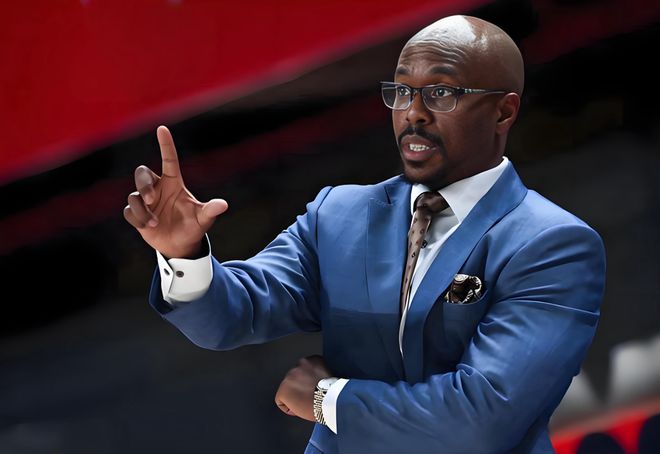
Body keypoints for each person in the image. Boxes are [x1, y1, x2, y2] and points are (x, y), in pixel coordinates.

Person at [124, 15, 605, 454]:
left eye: (441, 93)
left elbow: (479, 421)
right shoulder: (338, 214)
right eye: (401, 91)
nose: (413, 113)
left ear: (503, 112)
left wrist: (327, 399)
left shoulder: (554, 244)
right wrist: (184, 254)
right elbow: (233, 315)